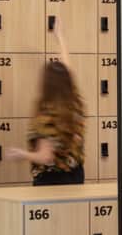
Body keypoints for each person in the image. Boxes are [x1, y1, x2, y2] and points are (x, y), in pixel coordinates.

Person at [10, 26, 87, 186]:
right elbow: (68, 71)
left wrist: (22, 154)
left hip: (51, 181)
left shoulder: (46, 115)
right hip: (76, 177)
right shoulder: (75, 105)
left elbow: (46, 157)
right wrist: (60, 38)